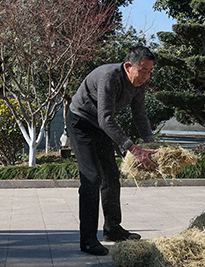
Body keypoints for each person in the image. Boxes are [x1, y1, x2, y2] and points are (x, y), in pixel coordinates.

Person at [66, 46, 157, 255]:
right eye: (142, 70)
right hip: (81, 122)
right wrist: (133, 148)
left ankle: (113, 229)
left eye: (150, 71)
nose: (146, 76)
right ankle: (88, 239)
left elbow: (140, 116)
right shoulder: (109, 77)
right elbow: (106, 119)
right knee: (92, 177)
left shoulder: (139, 84)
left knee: (111, 176)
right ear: (128, 66)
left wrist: (153, 145)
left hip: (100, 126)